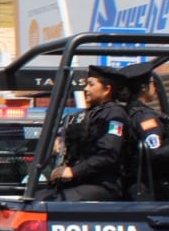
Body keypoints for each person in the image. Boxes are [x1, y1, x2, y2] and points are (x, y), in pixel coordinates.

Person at [41, 64, 136, 201]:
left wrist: (73, 171)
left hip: (102, 184)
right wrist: (60, 141)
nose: (86, 89)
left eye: (91, 85)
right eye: (86, 84)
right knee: (39, 198)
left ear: (107, 90)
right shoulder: (86, 114)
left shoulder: (114, 115)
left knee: (54, 203)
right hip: (81, 181)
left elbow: (108, 155)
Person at [122, 65, 169, 201]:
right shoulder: (146, 117)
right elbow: (155, 155)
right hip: (155, 189)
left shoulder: (124, 114)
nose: (155, 88)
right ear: (144, 88)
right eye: (152, 83)